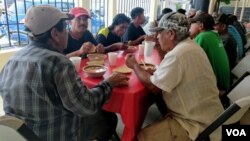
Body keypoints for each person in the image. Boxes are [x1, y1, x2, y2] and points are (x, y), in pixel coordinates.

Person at [0, 5, 129, 141]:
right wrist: (109, 83)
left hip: (22, 136)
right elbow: (86, 105)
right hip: (58, 135)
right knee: (109, 119)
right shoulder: (58, 62)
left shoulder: (11, 61)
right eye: (65, 29)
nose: (67, 32)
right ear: (55, 33)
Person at [125, 12, 224, 141]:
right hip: (212, 116)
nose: (156, 36)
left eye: (159, 32)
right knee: (158, 98)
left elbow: (153, 86)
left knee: (140, 137)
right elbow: (168, 71)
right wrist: (160, 50)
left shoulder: (178, 54)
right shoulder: (190, 46)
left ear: (171, 34)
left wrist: (134, 65)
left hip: (196, 124)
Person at [189, 12, 230, 91]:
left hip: (217, 87)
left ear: (201, 25)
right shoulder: (214, 35)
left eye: (191, 25)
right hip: (224, 84)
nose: (189, 28)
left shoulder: (203, 36)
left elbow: (189, 58)